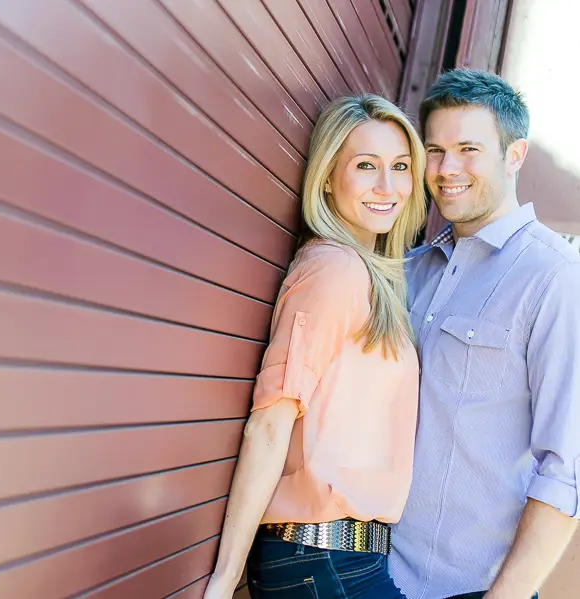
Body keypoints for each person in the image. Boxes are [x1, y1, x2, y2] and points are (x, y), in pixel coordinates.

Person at [202, 94, 427, 599]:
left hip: (345, 563)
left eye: (400, 167)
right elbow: (270, 420)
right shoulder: (335, 270)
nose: (387, 186)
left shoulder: (373, 280)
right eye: (366, 165)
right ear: (327, 176)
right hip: (323, 559)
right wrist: (225, 577)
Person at [390, 68, 580, 599]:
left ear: (514, 155)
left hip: (474, 589)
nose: (447, 169)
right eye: (434, 150)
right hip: (374, 578)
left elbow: (566, 471)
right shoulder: (409, 271)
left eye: (468, 149)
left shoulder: (555, 277)